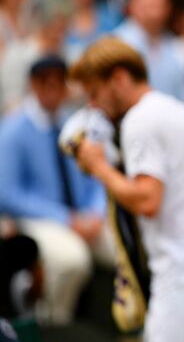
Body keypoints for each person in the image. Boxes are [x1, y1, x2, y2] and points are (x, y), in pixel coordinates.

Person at [71, 38, 184, 342]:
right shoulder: (179, 111)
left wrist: (99, 167)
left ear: (120, 78)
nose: (92, 105)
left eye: (95, 92)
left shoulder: (140, 120)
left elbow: (148, 200)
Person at [0, 56, 112, 325]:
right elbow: (8, 194)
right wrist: (66, 219)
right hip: (39, 221)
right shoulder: (12, 130)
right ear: (32, 85)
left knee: (124, 250)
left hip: (85, 217)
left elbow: (97, 176)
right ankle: (52, 327)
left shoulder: (76, 126)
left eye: (58, 82)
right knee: (71, 260)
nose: (51, 88)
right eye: (44, 82)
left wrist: (95, 213)